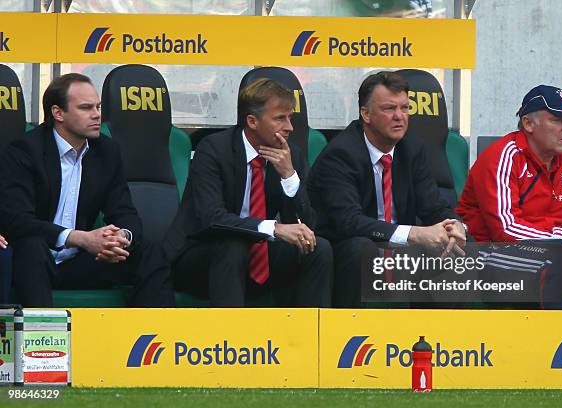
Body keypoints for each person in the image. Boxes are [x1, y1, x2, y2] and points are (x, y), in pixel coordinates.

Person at [0, 73, 175, 307]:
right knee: (32, 247)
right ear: (58, 113)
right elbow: (18, 221)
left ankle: (156, 336)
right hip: (34, 259)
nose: (96, 114)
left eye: (98, 106)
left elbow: (124, 211)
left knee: (150, 253)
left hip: (79, 262)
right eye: (85, 108)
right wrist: (80, 239)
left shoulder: (106, 150)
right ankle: (43, 341)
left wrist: (121, 237)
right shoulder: (25, 151)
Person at [164, 78, 332, 307]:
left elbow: (307, 224)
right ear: (252, 121)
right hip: (201, 256)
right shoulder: (214, 149)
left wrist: (289, 176)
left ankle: (309, 335)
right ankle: (232, 338)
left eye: (290, 117)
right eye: (280, 118)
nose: (290, 127)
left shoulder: (289, 154)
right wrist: (274, 228)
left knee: (317, 248)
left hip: (258, 256)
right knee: (233, 247)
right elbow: (212, 219)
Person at [307, 71, 465, 307]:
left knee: (457, 247)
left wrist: (455, 225)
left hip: (399, 245)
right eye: (389, 108)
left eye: (405, 108)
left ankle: (444, 336)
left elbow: (433, 206)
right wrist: (413, 233)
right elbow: (349, 222)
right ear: (366, 114)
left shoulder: (412, 147)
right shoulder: (341, 154)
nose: (400, 117)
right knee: (360, 248)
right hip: (348, 247)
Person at [456, 84, 562, 307]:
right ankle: (549, 335)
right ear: (528, 123)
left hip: (553, 250)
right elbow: (504, 230)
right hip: (488, 254)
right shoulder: (502, 156)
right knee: (560, 259)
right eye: (558, 119)